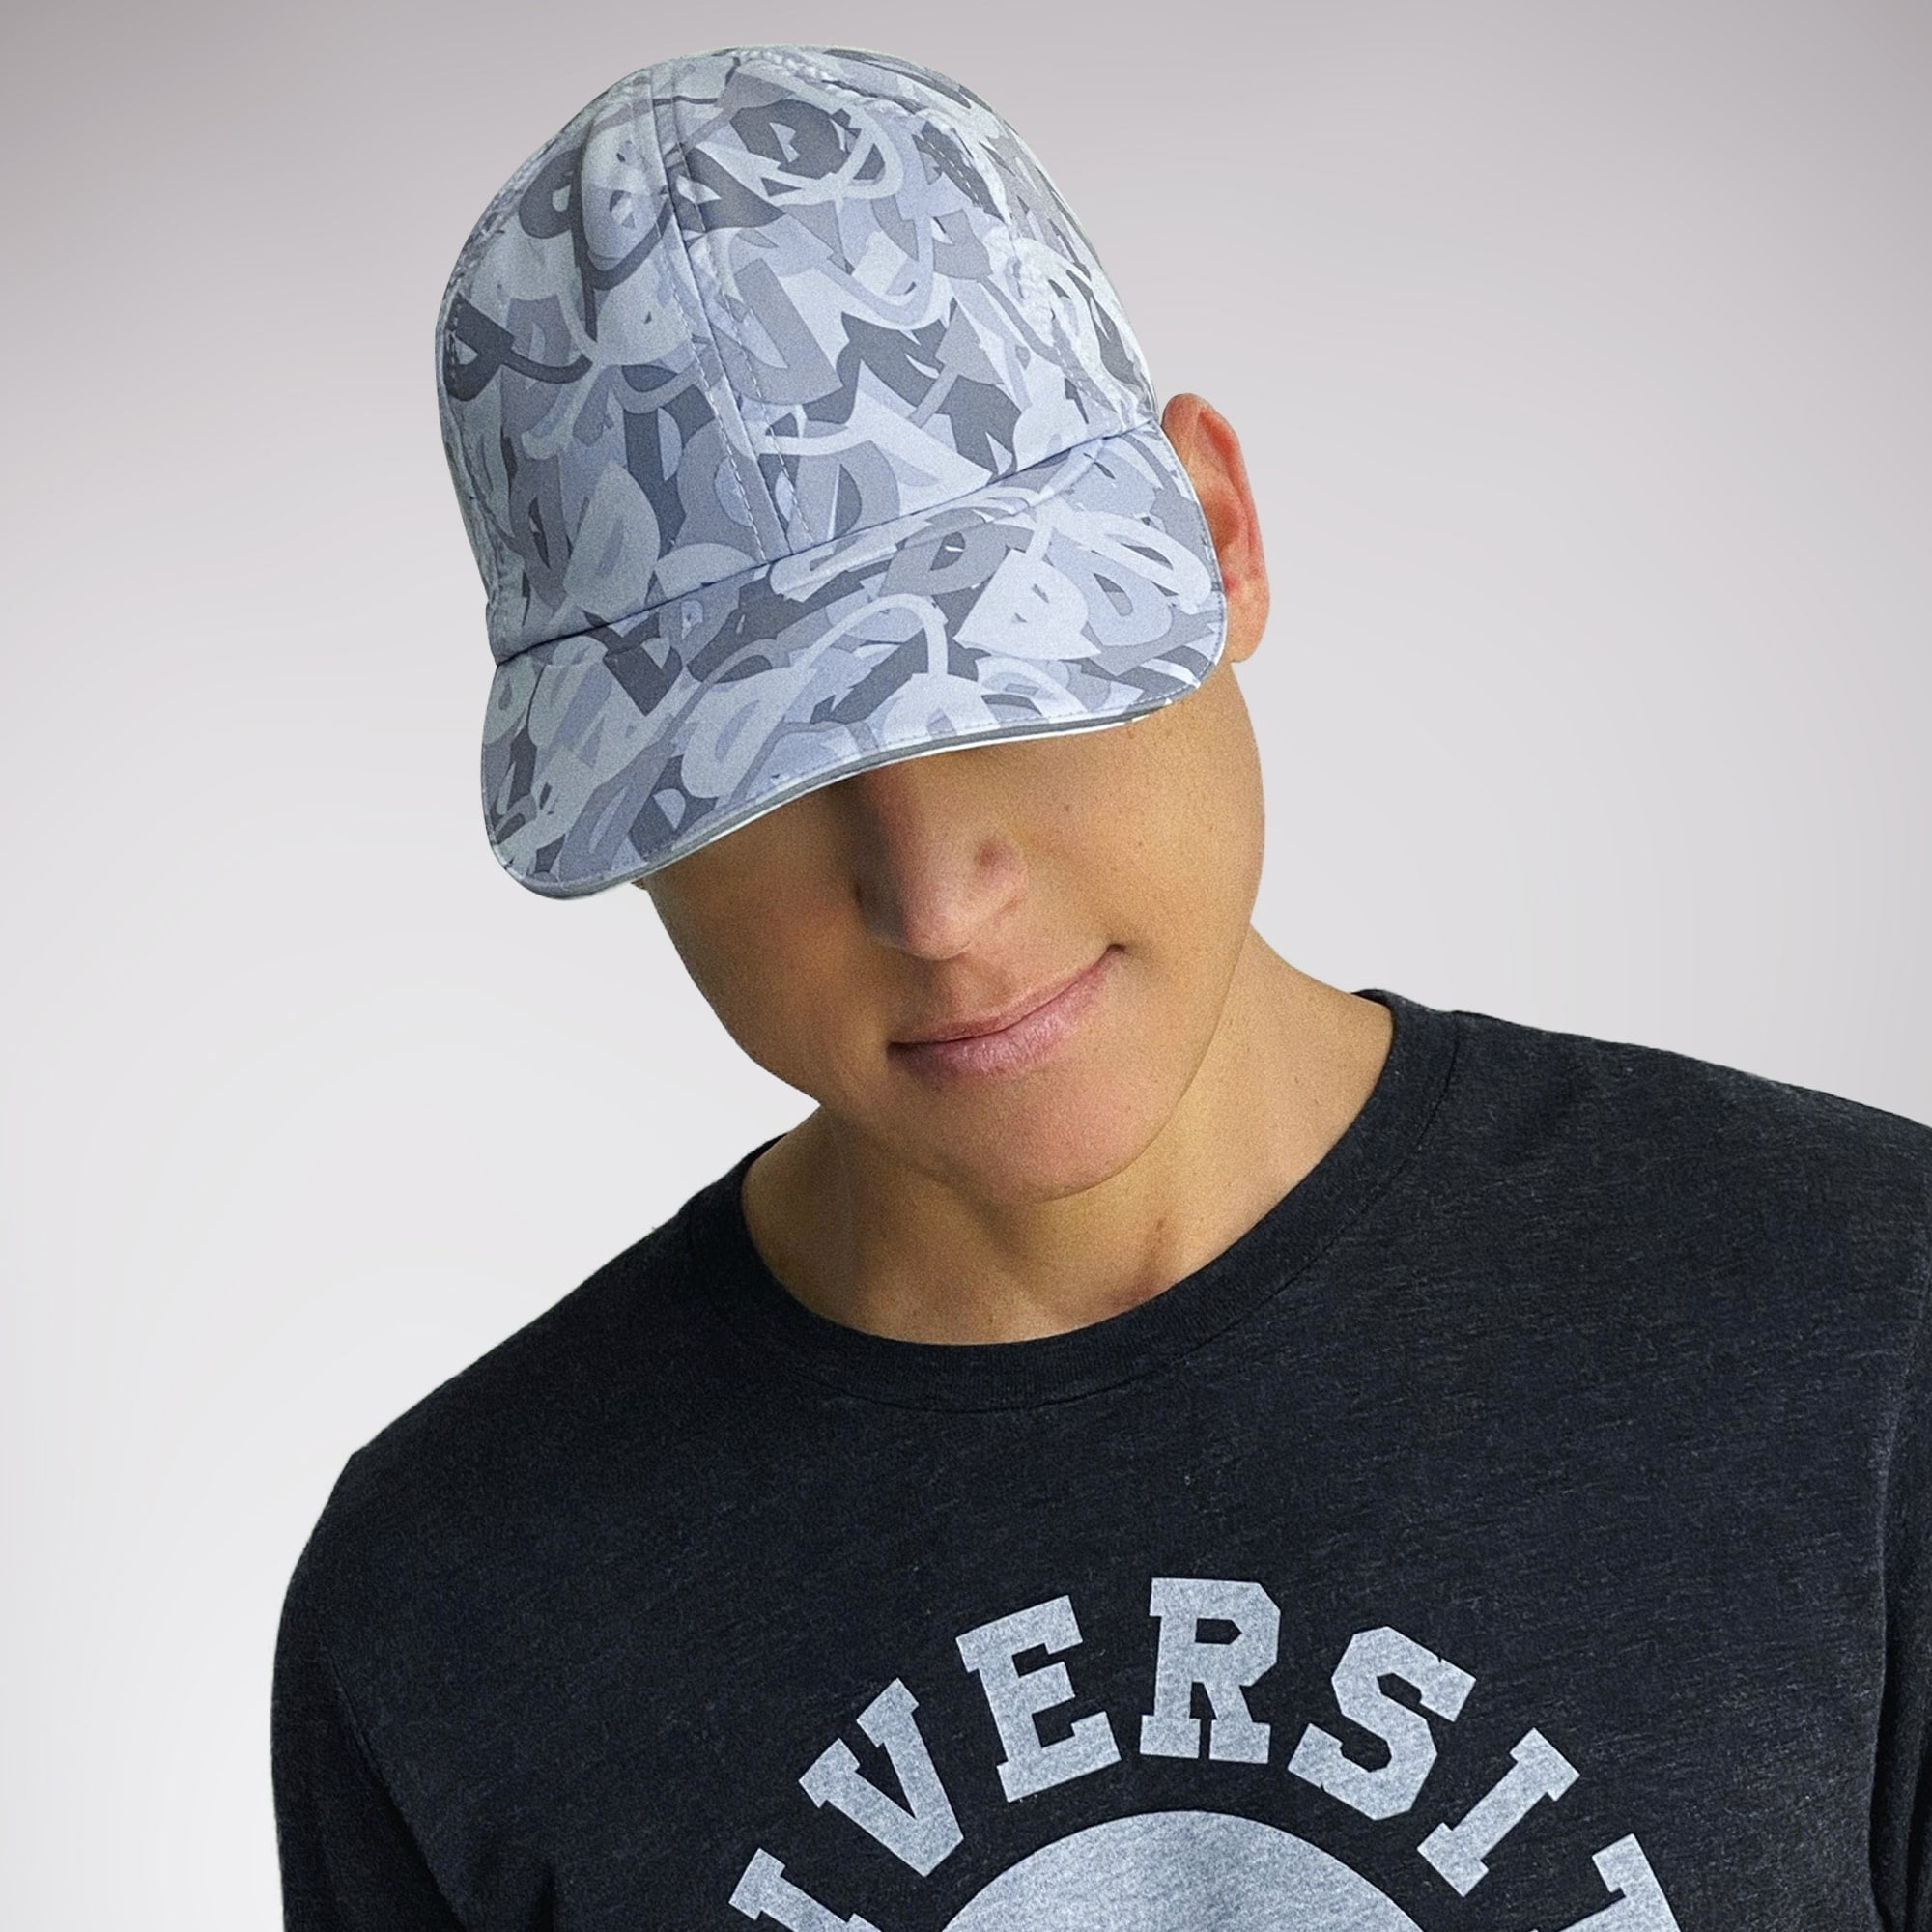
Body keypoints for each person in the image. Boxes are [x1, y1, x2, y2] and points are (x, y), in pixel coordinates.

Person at [271, 43, 1929, 1931]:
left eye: (999, 679)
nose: (933, 900)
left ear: (1216, 535)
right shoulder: (454, 1606)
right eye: (752, 780)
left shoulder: (1859, 1327)